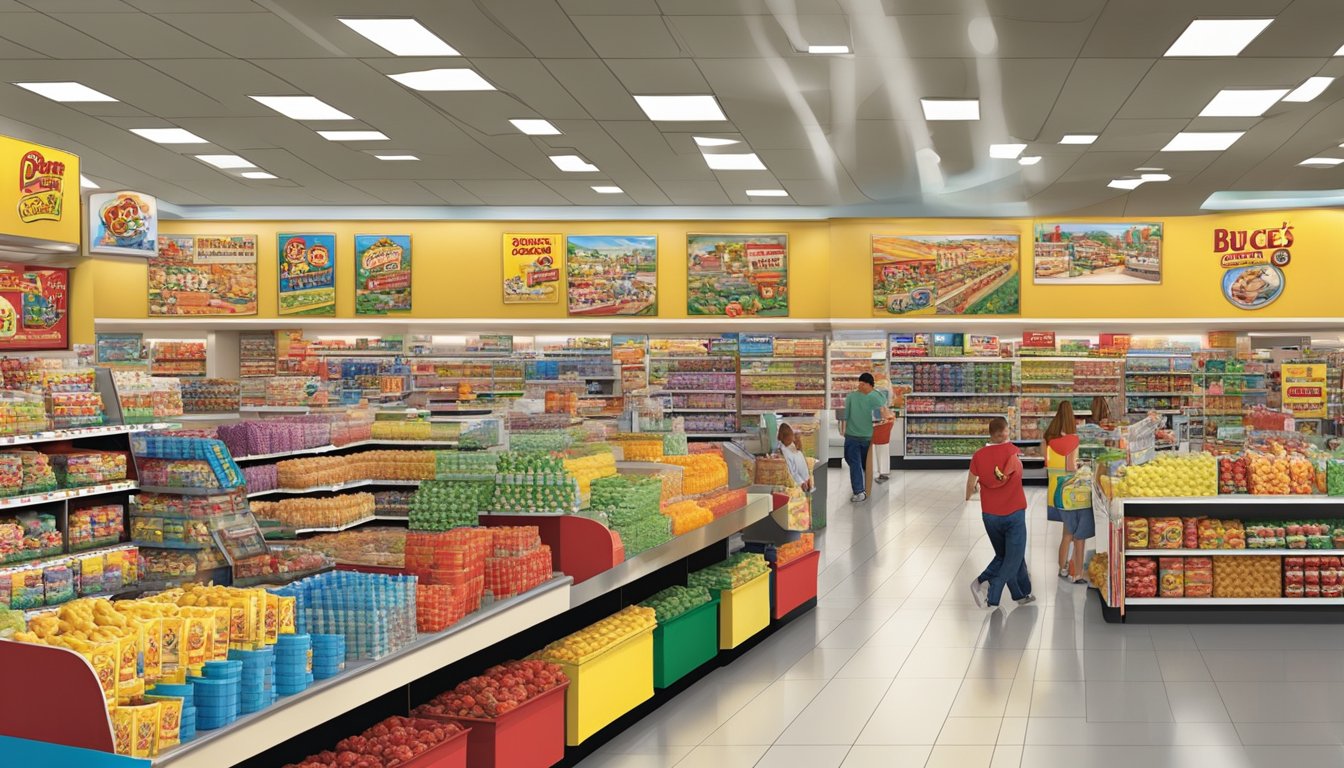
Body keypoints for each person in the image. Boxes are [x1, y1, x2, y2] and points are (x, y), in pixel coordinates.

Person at [966, 417, 1035, 608]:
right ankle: (988, 585)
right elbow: (1017, 473)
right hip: (1013, 512)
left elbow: (971, 484)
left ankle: (1021, 593)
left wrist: (968, 496)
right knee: (1013, 556)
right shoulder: (1012, 452)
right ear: (1005, 433)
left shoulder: (978, 456)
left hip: (990, 514)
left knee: (1009, 555)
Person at [1045, 401, 1092, 583]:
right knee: (1073, 534)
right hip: (1069, 493)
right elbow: (1071, 467)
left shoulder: (1049, 439)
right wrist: (1083, 466)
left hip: (1053, 491)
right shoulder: (1073, 440)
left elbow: (1048, 463)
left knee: (1065, 534)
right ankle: (1076, 572)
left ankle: (1062, 568)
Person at [839, 372, 887, 502]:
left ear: (870, 385)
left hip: (867, 437)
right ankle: (861, 488)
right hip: (852, 435)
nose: (860, 385)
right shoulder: (851, 397)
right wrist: (842, 428)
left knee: (859, 463)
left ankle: (861, 490)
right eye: (859, 383)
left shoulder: (874, 397)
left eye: (863, 383)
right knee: (853, 461)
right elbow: (845, 414)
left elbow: (883, 405)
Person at [776, 422, 812, 492]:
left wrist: (798, 442)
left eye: (792, 439)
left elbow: (799, 452)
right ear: (784, 438)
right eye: (789, 440)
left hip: (804, 475)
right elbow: (792, 471)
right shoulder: (785, 451)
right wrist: (801, 482)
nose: (791, 441)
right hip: (799, 479)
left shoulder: (790, 444)